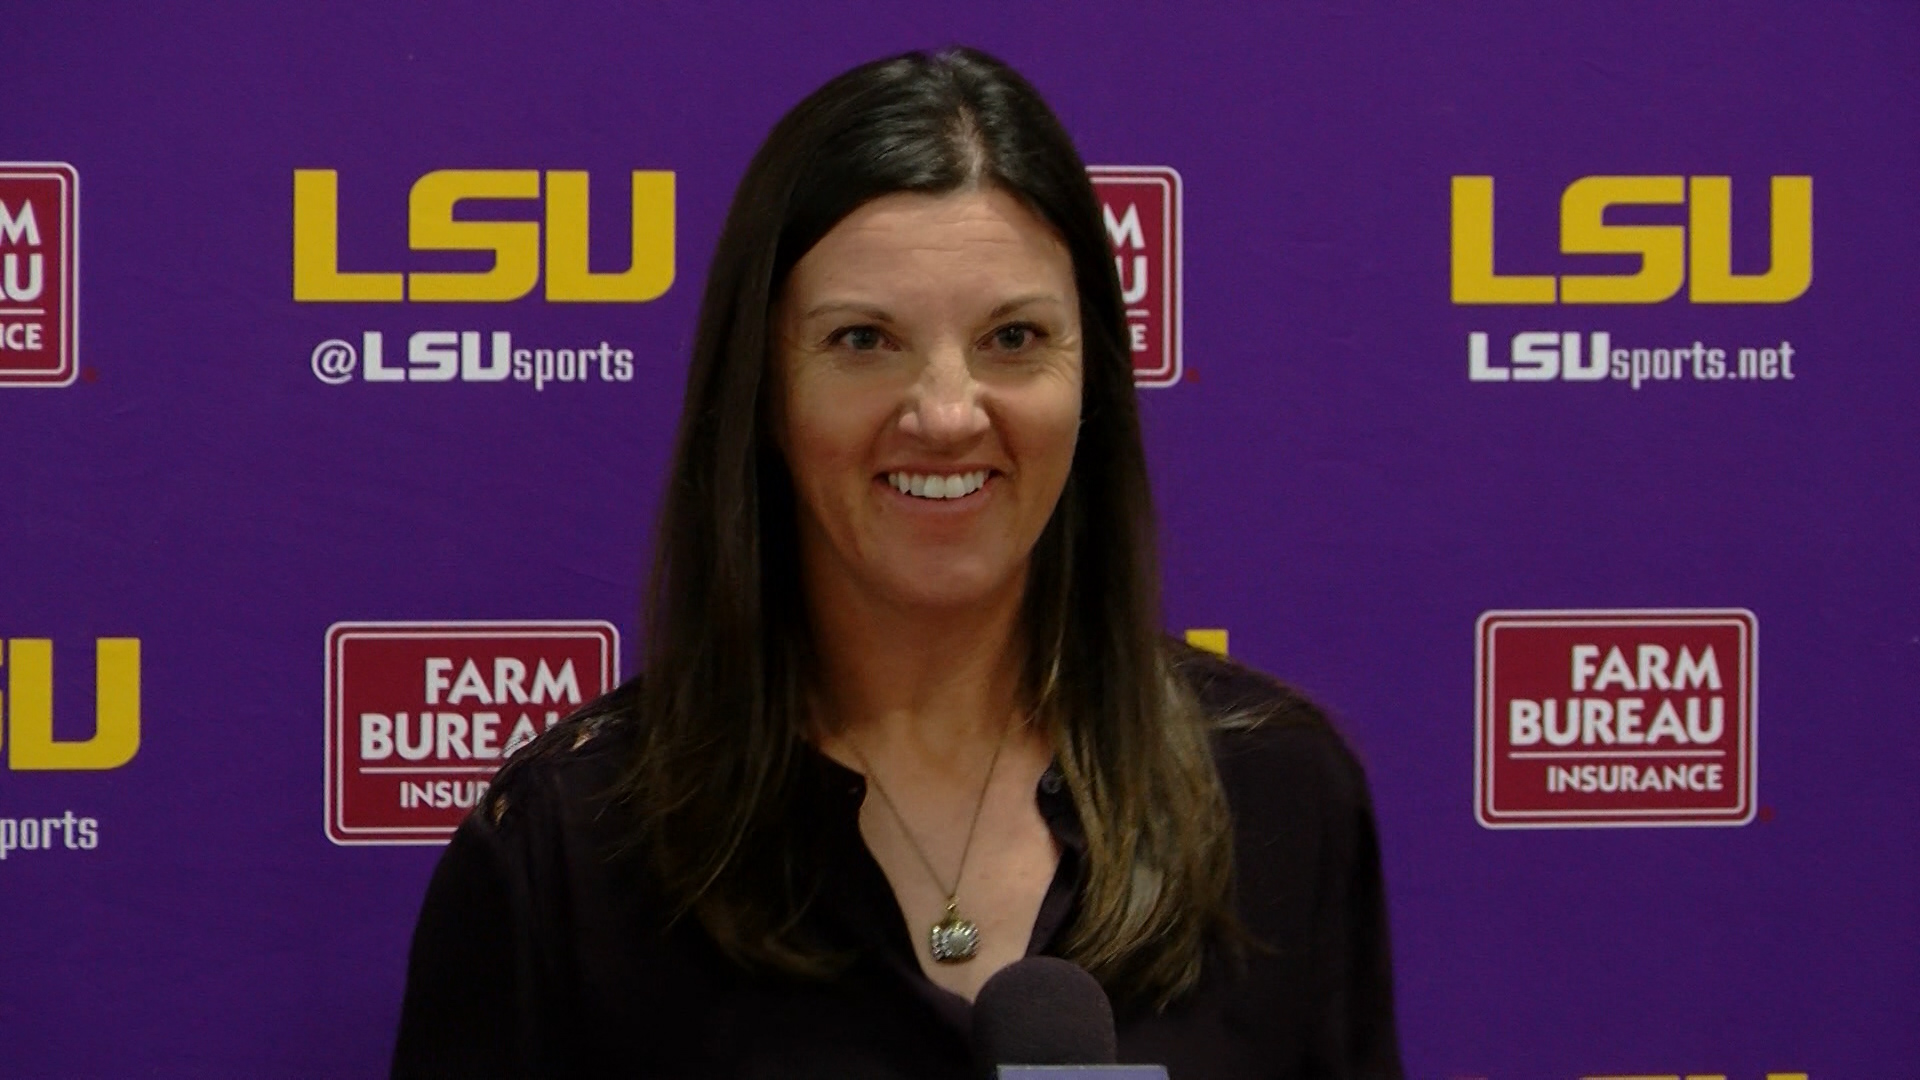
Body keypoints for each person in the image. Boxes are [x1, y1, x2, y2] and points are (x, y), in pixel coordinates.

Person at [393, 46, 1401, 1079]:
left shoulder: (1280, 801)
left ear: (1091, 379)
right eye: (864, 341)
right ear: (764, 392)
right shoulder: (568, 850)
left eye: (1014, 337)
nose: (948, 414)